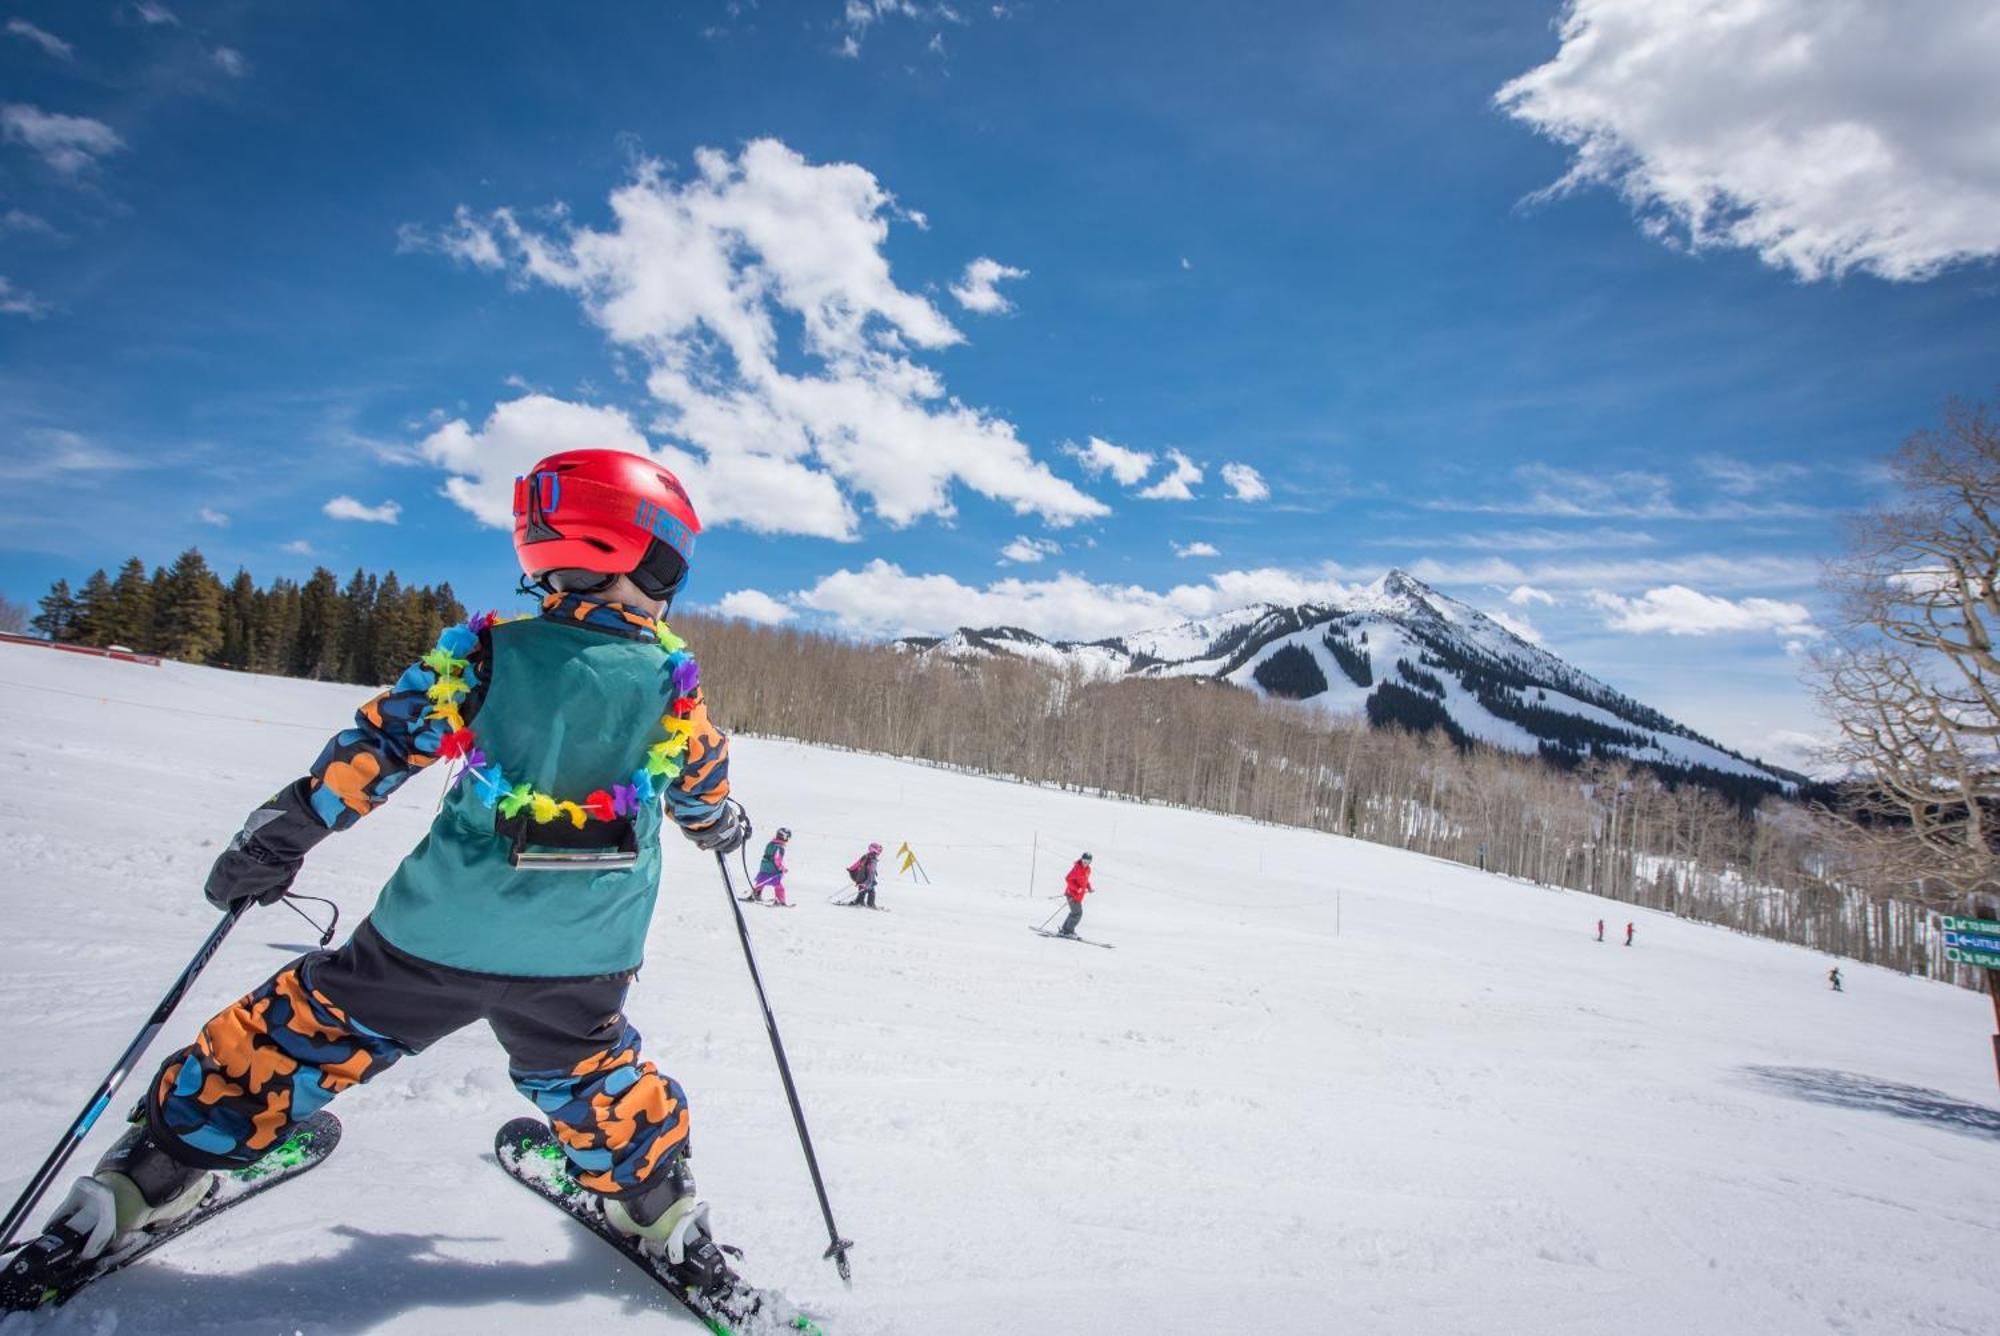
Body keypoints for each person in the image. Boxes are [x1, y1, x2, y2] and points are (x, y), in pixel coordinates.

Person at [38, 449, 760, 1305]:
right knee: (591, 1071)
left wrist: (284, 835)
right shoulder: (676, 684)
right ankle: (658, 1209)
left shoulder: (488, 651)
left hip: (431, 939)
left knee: (285, 1038)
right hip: (586, 952)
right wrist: (722, 825)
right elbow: (704, 787)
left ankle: (148, 1181)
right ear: (644, 556)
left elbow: (380, 748)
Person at [750, 828, 790, 906]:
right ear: (784, 837)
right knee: (779, 886)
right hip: (772, 871)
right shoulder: (779, 848)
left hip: (764, 868)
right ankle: (780, 900)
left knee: (761, 883)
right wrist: (782, 868)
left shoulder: (770, 844)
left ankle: (756, 894)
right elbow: (777, 860)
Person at [1059, 852, 1094, 937]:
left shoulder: (1088, 869)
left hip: (1078, 896)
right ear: (1082, 860)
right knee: (1077, 913)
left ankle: (1065, 930)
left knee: (1074, 913)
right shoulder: (1077, 868)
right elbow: (1068, 879)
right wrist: (1076, 888)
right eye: (1084, 860)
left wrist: (1089, 887)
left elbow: (1085, 881)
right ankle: (1068, 931)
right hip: (1071, 894)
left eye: (1088, 861)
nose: (1085, 862)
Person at [847, 843, 883, 907]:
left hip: (862, 877)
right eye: (879, 850)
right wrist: (869, 881)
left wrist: (851, 869)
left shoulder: (866, 856)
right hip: (866, 877)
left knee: (864, 889)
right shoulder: (872, 859)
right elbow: (871, 871)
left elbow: (857, 863)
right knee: (870, 891)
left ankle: (860, 901)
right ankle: (868, 903)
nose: (880, 853)